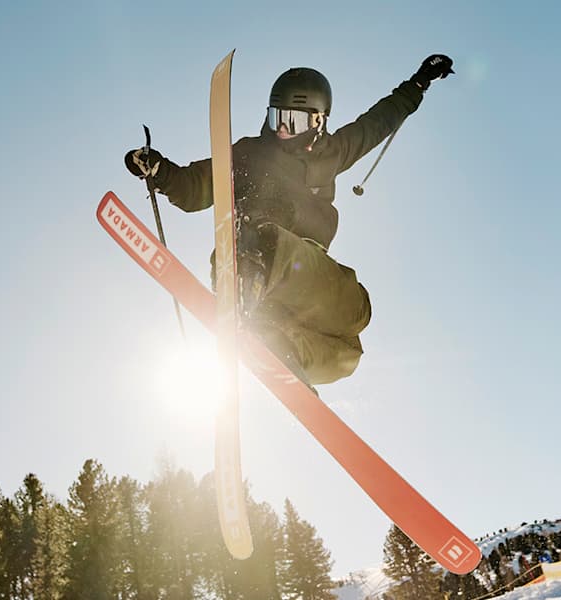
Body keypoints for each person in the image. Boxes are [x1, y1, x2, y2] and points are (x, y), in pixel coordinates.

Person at [125, 55, 455, 385]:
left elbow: (378, 121)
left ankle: (282, 348)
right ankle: (249, 277)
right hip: (254, 252)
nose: (281, 129)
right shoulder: (249, 154)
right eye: (276, 117)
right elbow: (196, 185)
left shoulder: (334, 152)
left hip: (306, 273)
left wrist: (419, 82)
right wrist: (161, 172)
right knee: (271, 244)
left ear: (318, 122)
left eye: (292, 121)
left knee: (353, 332)